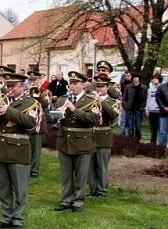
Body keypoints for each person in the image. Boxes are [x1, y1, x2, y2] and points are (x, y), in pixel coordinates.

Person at [0, 72, 37, 229]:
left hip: (18, 149)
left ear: (22, 86)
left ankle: (18, 219)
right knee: (4, 187)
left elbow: (30, 123)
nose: (9, 89)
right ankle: (6, 217)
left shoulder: (31, 103)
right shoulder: (3, 100)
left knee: (20, 188)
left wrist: (9, 111)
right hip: (1, 148)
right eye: (8, 86)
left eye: (13, 86)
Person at [53, 71, 100, 212]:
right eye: (71, 83)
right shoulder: (62, 99)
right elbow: (52, 120)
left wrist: (74, 109)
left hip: (82, 142)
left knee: (81, 174)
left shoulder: (92, 101)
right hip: (64, 141)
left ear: (83, 85)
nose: (71, 86)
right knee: (66, 174)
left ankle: (78, 201)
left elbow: (94, 119)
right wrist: (56, 115)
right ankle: (66, 199)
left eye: (75, 83)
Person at [88, 75, 119, 198]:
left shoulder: (113, 102)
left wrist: (101, 101)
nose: (99, 88)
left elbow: (113, 115)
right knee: (90, 165)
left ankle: (102, 189)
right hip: (91, 135)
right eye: (97, 86)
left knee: (102, 165)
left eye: (101, 86)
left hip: (104, 135)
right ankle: (93, 188)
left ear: (107, 87)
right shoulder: (90, 101)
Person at [27, 71, 50, 178]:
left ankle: (34, 170)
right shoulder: (25, 92)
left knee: (36, 148)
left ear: (39, 80)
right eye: (31, 80)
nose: (32, 82)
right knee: (27, 147)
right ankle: (26, 167)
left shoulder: (44, 92)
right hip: (26, 122)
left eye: (34, 80)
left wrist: (38, 94)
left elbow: (46, 105)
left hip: (38, 123)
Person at [122, 73, 146, 139]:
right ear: (132, 78)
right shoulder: (128, 87)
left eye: (137, 77)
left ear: (139, 79)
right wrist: (126, 106)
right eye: (134, 77)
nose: (135, 78)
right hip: (130, 109)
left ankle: (138, 140)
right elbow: (124, 98)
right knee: (130, 126)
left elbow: (145, 99)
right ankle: (131, 141)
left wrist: (142, 107)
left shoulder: (143, 87)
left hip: (139, 109)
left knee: (138, 126)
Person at [146, 74, 162, 144]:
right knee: (153, 130)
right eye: (153, 79)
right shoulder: (150, 89)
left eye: (156, 78)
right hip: (151, 111)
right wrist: (147, 109)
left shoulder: (163, 88)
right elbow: (148, 99)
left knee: (161, 130)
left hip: (160, 112)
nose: (154, 80)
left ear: (159, 79)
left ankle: (161, 144)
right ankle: (152, 144)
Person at [156, 76, 168, 146]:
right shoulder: (161, 87)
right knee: (163, 131)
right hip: (164, 113)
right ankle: (161, 149)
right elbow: (158, 98)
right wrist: (163, 107)